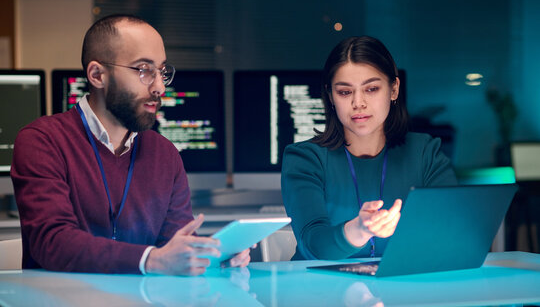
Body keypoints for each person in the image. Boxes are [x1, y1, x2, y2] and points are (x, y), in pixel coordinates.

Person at [11, 14, 251, 275]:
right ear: (97, 75)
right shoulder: (42, 141)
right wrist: (150, 260)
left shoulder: (165, 154)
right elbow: (53, 243)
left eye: (161, 71)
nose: (160, 86)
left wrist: (211, 257)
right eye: (144, 70)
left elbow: (171, 248)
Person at [281, 36, 457, 260]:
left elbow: (451, 232)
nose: (358, 103)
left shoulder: (425, 152)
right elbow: (314, 245)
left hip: (402, 288)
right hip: (320, 289)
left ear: (394, 89)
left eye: (371, 89)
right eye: (345, 92)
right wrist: (359, 230)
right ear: (331, 97)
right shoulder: (305, 158)